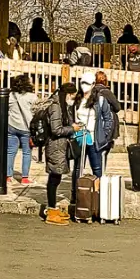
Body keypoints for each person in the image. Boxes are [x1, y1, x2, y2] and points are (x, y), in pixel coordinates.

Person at [43, 82, 82, 223]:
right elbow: (56, 129)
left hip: (60, 146)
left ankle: (53, 208)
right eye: (72, 96)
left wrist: (73, 125)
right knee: (54, 178)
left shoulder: (62, 106)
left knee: (57, 176)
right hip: (55, 146)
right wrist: (72, 129)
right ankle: (51, 211)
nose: (72, 99)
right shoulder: (55, 107)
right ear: (67, 94)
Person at [79, 72, 121, 178]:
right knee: (101, 156)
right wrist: (106, 133)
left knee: (80, 163)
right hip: (101, 128)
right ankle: (100, 177)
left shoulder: (89, 92)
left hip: (88, 130)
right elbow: (117, 107)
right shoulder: (105, 92)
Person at [7, 74, 37, 185]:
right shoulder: (32, 97)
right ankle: (24, 178)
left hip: (12, 126)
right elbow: (36, 111)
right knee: (27, 153)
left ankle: (8, 176)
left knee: (11, 151)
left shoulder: (10, 95)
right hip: (26, 128)